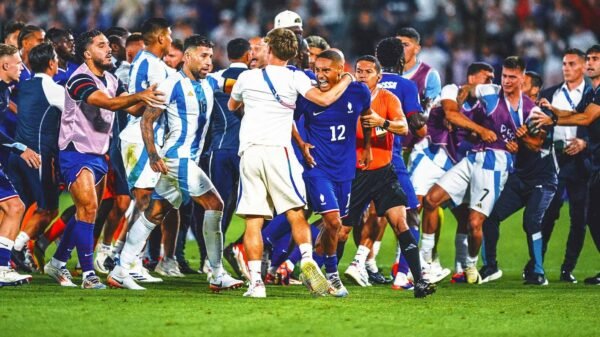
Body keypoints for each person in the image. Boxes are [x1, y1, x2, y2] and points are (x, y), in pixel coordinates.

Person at [108, 35, 242, 291]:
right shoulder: (170, 85)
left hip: (185, 161)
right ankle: (216, 273)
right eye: (203, 56)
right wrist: (153, 155)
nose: (208, 62)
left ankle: (120, 269)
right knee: (215, 204)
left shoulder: (211, 82)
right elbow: (147, 120)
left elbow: (235, 85)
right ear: (187, 57)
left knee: (155, 213)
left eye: (210, 57)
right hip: (176, 157)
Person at [227, 28, 353, 298]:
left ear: (270, 49)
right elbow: (325, 98)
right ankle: (307, 259)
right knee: (296, 212)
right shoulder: (294, 76)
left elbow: (231, 106)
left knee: (253, 221)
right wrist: (347, 79)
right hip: (279, 152)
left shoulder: (246, 77)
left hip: (249, 152)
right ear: (294, 53)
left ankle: (256, 285)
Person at [43, 29, 164, 289]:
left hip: (99, 153)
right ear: (87, 53)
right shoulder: (79, 79)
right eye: (101, 45)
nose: (108, 49)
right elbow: (107, 104)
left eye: (108, 44)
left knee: (84, 211)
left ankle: (58, 261)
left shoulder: (110, 78)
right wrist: (139, 95)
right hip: (75, 152)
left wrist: (153, 97)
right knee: (88, 210)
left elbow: (130, 107)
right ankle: (88, 275)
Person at [422, 56, 538, 284]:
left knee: (475, 223)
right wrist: (457, 112)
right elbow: (466, 88)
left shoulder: (530, 109)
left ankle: (471, 265)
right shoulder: (489, 91)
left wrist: (523, 141)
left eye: (512, 77)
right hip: (473, 157)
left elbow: (537, 144)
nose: (506, 81)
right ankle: (426, 262)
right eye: (504, 75)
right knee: (430, 200)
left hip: (496, 165)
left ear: (522, 78)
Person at [339, 55, 435, 298]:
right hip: (355, 175)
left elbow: (403, 127)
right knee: (341, 231)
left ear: (378, 77)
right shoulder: (345, 98)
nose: (362, 75)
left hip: (384, 173)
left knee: (401, 223)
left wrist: (382, 122)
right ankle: (330, 274)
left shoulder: (387, 98)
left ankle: (420, 281)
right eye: (359, 71)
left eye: (368, 71)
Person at [408, 62, 495, 284]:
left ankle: (461, 267)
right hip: (432, 154)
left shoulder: (487, 105)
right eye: (487, 78)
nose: (491, 83)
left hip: (459, 162)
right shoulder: (451, 89)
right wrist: (480, 130)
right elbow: (451, 113)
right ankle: (419, 263)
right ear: (472, 78)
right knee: (417, 206)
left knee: (465, 215)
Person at [294, 49, 371, 297]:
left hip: (345, 169)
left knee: (335, 229)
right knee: (333, 221)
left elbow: (367, 117)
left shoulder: (359, 91)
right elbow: (287, 119)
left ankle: (312, 271)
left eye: (326, 70)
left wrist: (367, 147)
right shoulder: (308, 96)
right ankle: (333, 277)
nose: (320, 75)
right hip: (318, 168)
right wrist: (300, 142)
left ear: (340, 69)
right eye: (317, 70)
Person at [531, 44, 600, 285]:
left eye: (593, 59)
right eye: (564, 63)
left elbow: (587, 119)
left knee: (585, 217)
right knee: (551, 214)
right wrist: (552, 114)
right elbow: (570, 114)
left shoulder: (595, 92)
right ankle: (536, 266)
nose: (566, 68)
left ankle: (567, 268)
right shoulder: (577, 94)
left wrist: (585, 141)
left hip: (586, 162)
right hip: (556, 159)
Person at [118, 18, 177, 279]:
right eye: (171, 36)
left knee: (149, 203)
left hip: (149, 137)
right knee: (143, 202)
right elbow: (135, 105)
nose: (173, 40)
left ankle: (131, 261)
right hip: (139, 138)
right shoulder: (150, 64)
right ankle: (128, 264)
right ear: (162, 38)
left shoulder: (152, 63)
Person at [7, 43, 64, 273]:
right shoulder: (53, 88)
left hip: (17, 154)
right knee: (48, 209)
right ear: (51, 63)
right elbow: (76, 115)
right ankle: (18, 247)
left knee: (17, 207)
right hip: (38, 157)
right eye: (56, 59)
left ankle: (11, 251)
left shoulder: (24, 86)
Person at [0, 43, 42, 287]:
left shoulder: (6, 90)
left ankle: (2, 267)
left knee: (13, 207)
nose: (22, 67)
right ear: (5, 65)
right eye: (18, 63)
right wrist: (19, 147)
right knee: (15, 207)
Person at [396, 27, 441, 114]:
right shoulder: (385, 73)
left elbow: (433, 111)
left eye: (405, 45)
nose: (400, 49)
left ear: (417, 49)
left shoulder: (429, 75)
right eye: (397, 45)